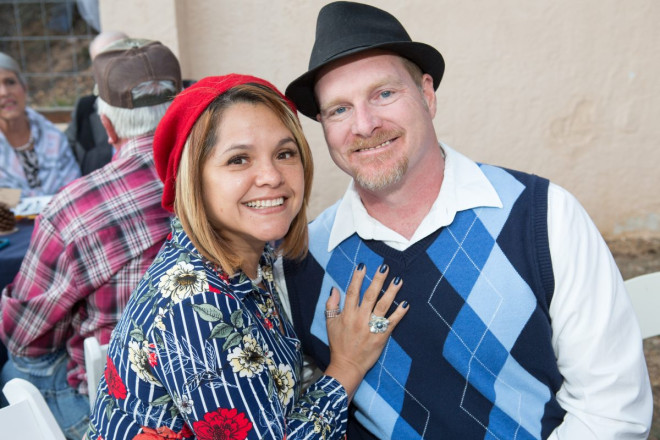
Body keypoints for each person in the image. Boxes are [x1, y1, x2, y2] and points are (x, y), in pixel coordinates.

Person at [279, 2, 653, 439]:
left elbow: (612, 407)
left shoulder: (542, 217)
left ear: (427, 94)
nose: (364, 124)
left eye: (384, 94)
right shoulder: (302, 261)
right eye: (339, 109)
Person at [85, 74, 408, 440]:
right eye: (239, 160)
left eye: (285, 154)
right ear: (193, 180)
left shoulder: (249, 259)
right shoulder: (196, 305)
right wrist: (346, 367)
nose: (271, 176)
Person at [0, 38, 180, 439]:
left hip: (116, 411)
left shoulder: (76, 207)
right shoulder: (238, 180)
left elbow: (23, 337)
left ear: (107, 126)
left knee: (14, 369)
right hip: (222, 397)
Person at [0, 51, 80, 196]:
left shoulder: (53, 137)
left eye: (10, 82)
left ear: (24, 88)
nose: (4, 92)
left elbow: (74, 189)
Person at [65, 30, 128, 176]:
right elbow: (63, 151)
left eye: (116, 59)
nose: (109, 70)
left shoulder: (158, 102)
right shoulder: (85, 109)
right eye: (101, 63)